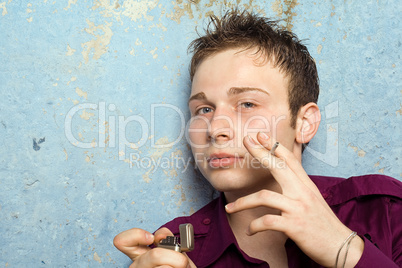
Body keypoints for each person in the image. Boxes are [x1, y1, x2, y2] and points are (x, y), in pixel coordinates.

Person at [113, 10, 402, 268]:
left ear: (304, 123)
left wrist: (346, 251)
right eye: (204, 109)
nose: (215, 129)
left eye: (247, 104)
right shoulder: (172, 251)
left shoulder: (385, 211)